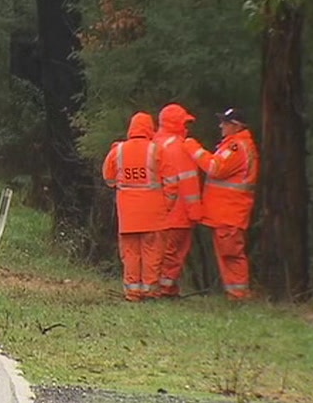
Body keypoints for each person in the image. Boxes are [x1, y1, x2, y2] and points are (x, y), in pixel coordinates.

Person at [183, 107, 258, 300]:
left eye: (225, 123)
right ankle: (236, 294)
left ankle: (239, 295)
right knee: (228, 255)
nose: (220, 126)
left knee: (231, 255)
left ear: (236, 126)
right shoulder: (235, 144)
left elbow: (215, 168)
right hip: (227, 212)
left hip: (230, 212)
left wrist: (193, 148)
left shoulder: (236, 147)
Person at [103, 112, 178, 301]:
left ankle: (132, 292)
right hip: (154, 214)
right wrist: (166, 205)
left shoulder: (118, 150)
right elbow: (172, 182)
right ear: (149, 129)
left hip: (128, 215)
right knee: (152, 254)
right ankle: (150, 291)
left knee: (130, 254)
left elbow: (108, 178)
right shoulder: (158, 150)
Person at [153, 103, 203, 298]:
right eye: (184, 123)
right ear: (175, 124)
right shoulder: (180, 148)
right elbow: (188, 183)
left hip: (156, 214)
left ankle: (159, 287)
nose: (187, 127)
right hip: (178, 213)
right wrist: (195, 211)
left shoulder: (153, 143)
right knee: (173, 255)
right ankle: (165, 289)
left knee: (157, 253)